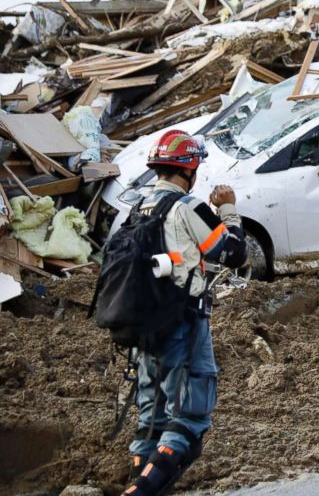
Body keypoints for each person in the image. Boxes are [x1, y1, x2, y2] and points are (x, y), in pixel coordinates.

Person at [123, 130, 248, 496]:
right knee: (190, 420)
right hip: (183, 324)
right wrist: (227, 209)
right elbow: (235, 254)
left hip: (144, 326)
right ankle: (141, 492)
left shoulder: (137, 208)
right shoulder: (187, 208)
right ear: (189, 169)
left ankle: (139, 481)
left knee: (152, 420)